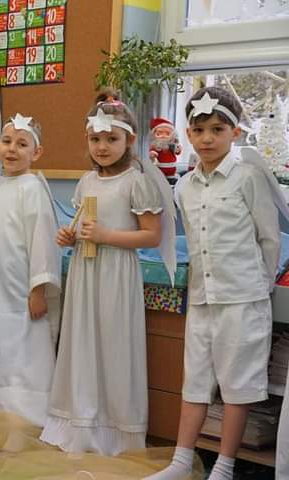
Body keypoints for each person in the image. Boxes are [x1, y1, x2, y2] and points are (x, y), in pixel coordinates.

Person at [146, 86, 280, 480]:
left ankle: (224, 467)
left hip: (242, 299)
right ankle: (181, 461)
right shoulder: (185, 186)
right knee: (195, 382)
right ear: (188, 134)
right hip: (202, 299)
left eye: (217, 130)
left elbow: (269, 238)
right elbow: (193, 239)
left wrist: (257, 285)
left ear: (234, 133)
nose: (207, 138)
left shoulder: (248, 177)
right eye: (200, 130)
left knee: (238, 386)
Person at [40, 89, 166, 456]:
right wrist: (70, 236)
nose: (102, 147)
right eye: (95, 139)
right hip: (86, 271)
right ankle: (78, 420)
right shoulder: (86, 182)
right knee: (82, 340)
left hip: (115, 274)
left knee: (112, 343)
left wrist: (106, 236)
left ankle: (115, 429)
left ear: (129, 139)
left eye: (111, 139)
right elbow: (83, 224)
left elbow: (152, 236)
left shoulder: (136, 182)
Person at [0, 113, 61, 426]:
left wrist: (38, 289)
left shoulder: (32, 189)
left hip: (22, 287)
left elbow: (42, 242)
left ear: (36, 153)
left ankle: (26, 408)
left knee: (24, 342)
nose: (12, 149)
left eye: (22, 144)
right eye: (7, 142)